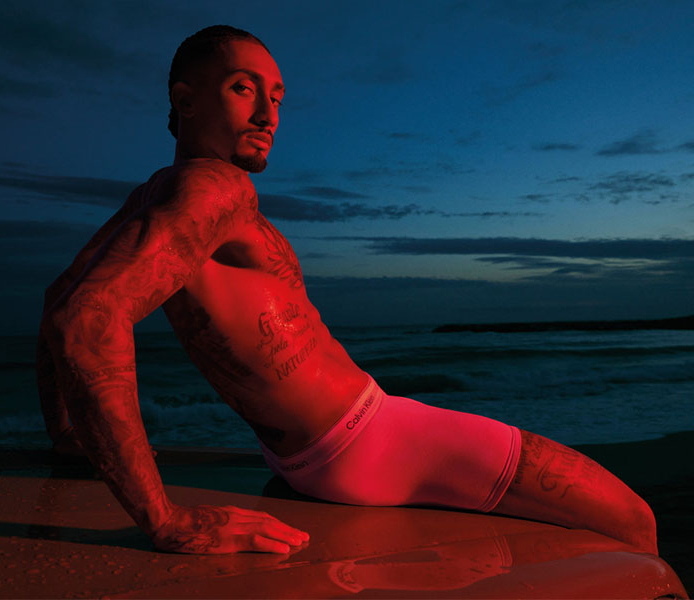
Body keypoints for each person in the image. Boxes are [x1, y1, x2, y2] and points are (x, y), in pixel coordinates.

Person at [36, 25, 657, 555]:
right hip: (370, 439)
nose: (268, 116)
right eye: (243, 88)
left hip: (314, 458)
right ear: (185, 99)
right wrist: (163, 519)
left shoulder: (155, 194)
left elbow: (59, 301)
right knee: (634, 521)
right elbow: (85, 317)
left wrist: (70, 438)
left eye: (277, 97)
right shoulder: (217, 189)